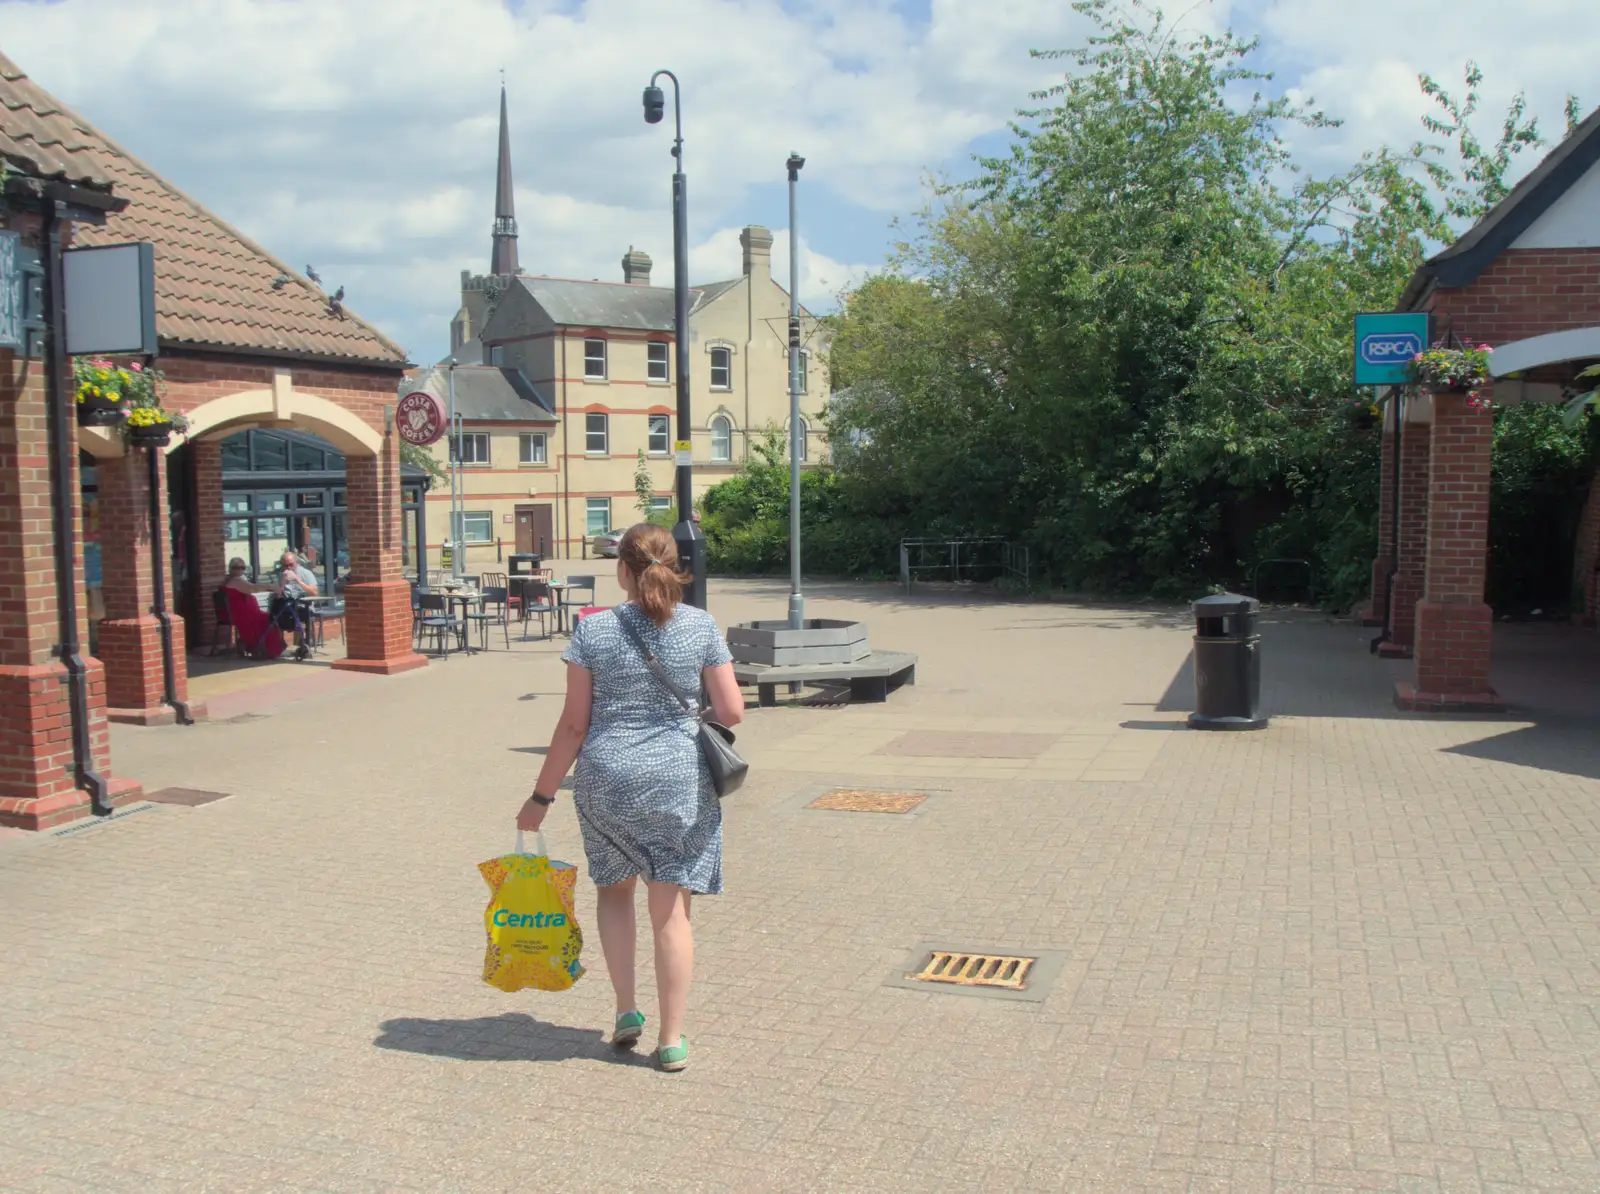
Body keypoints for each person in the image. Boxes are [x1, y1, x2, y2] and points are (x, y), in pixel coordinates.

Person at [516, 523, 743, 1073]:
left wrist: (540, 798)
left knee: (614, 893)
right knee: (670, 911)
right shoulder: (701, 626)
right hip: (677, 781)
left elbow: (573, 725)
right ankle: (670, 1039)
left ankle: (625, 1012)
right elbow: (732, 712)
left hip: (606, 781)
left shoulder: (593, 632)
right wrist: (689, 716)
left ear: (622, 569)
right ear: (675, 566)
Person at [219, 559, 283, 659]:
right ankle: (269, 649)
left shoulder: (230, 579)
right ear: (231, 569)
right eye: (236, 568)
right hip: (244, 614)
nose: (240, 570)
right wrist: (270, 586)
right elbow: (253, 588)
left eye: (242, 568)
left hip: (243, 612)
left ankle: (254, 645)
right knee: (269, 619)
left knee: (267, 618)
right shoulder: (236, 580)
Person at [270, 551, 318, 660]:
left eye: (291, 564)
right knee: (273, 615)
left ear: (296, 562)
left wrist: (298, 581)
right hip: (286, 607)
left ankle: (303, 644)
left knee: (295, 614)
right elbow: (278, 594)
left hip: (304, 606)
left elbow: (314, 592)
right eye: (285, 565)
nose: (289, 568)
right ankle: (280, 646)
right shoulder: (282, 574)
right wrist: (282, 581)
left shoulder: (306, 573)